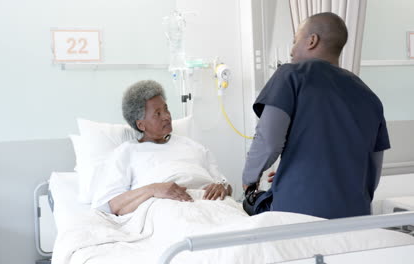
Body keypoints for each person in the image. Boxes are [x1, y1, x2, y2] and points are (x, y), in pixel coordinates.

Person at [242, 12, 389, 219]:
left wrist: (249, 179)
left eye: (294, 41)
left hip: (298, 213)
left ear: (312, 40)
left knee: (252, 204)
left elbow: (268, 142)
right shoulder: (369, 95)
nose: (291, 51)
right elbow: (373, 169)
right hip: (356, 215)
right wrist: (291, 173)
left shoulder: (290, 75)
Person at [92, 80, 232, 215]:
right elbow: (113, 205)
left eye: (166, 109)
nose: (166, 116)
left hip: (212, 203)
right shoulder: (126, 152)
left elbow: (226, 185)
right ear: (141, 125)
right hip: (166, 206)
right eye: (157, 113)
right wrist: (154, 189)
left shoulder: (193, 146)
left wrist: (222, 187)